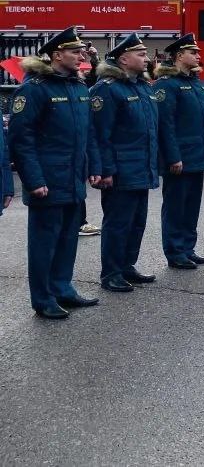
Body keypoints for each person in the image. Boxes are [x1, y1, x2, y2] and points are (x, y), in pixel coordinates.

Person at [8, 27, 101, 319]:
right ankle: (43, 298)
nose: (82, 56)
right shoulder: (34, 89)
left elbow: (89, 134)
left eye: (82, 52)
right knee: (44, 242)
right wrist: (33, 180)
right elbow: (21, 140)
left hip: (72, 177)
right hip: (48, 180)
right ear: (57, 54)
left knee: (68, 238)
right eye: (75, 52)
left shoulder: (77, 87)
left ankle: (63, 288)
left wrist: (94, 166)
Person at [90, 33, 160, 293]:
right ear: (123, 59)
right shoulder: (107, 89)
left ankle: (127, 265)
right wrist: (106, 170)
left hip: (142, 167)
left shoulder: (143, 87)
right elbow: (101, 135)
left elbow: (152, 130)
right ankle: (111, 272)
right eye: (140, 55)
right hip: (121, 170)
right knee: (118, 222)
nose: (146, 59)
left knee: (137, 221)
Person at [153, 34, 204, 269]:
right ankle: (175, 250)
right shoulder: (166, 84)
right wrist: (173, 156)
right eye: (194, 53)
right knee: (176, 206)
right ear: (180, 56)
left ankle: (188, 247)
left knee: (191, 206)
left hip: (197, 155)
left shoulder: (196, 83)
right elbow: (165, 124)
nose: (199, 56)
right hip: (180, 158)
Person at [78, 42, 102, 237]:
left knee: (78, 185)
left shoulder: (80, 87)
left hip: (82, 145)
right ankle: (78, 222)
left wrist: (94, 59)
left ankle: (80, 221)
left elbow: (96, 79)